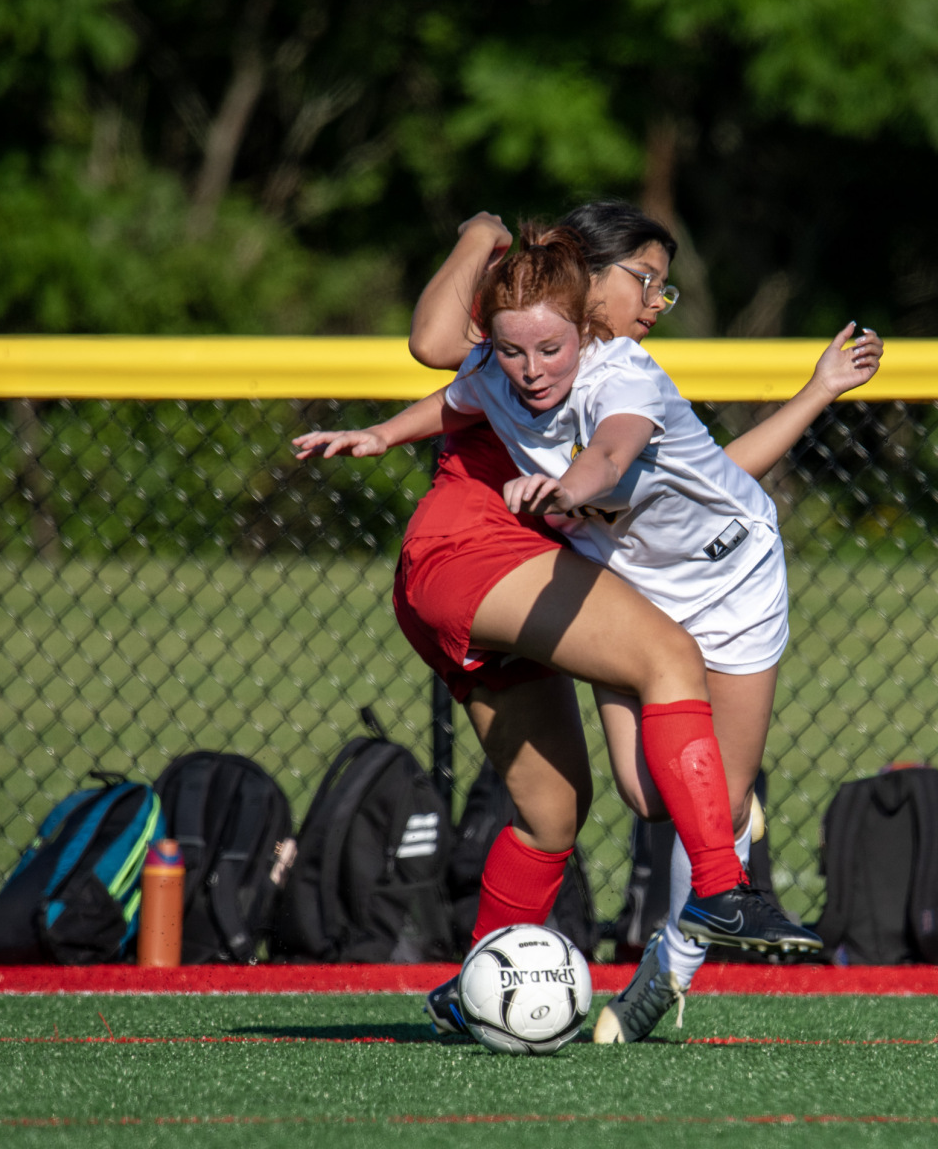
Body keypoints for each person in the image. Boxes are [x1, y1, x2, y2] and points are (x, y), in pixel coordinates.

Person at [295, 215, 882, 1040]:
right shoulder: (527, 333)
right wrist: (477, 242)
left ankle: (482, 990)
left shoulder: (617, 375)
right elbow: (445, 362)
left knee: (564, 812)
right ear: (584, 277)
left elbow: (658, 467)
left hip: (639, 578)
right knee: (669, 674)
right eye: (643, 277)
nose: (656, 300)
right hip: (487, 559)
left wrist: (817, 391)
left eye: (663, 284)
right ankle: (723, 890)